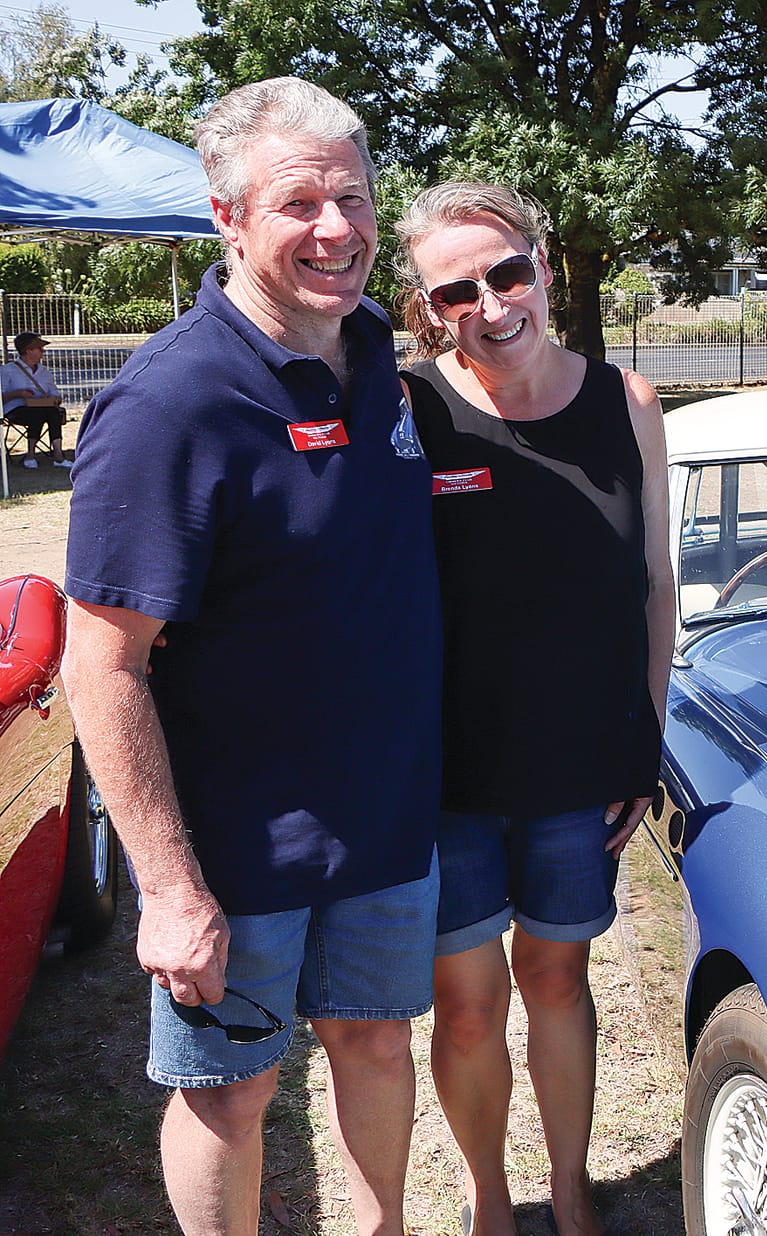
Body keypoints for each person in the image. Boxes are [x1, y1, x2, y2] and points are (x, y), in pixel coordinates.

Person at [60, 77, 442, 1236]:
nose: (337, 228)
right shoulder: (170, 403)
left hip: (381, 821)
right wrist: (170, 890)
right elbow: (101, 666)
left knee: (375, 1047)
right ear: (227, 220)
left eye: (355, 196)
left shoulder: (375, 348)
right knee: (231, 1091)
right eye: (298, 203)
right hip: (233, 847)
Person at [395, 182, 672, 1236]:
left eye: (508, 274)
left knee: (557, 983)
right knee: (467, 1009)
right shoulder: (410, 412)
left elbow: (657, 587)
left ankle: (568, 1186)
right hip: (448, 780)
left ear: (542, 268)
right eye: (457, 290)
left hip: (581, 771)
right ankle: (489, 1200)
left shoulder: (628, 405)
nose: (492, 303)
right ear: (429, 310)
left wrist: (641, 744)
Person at [2, 332, 68, 469]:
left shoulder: (45, 372)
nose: (42, 351)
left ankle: (58, 454)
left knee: (54, 412)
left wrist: (55, 399)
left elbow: (54, 392)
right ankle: (30, 454)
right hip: (16, 409)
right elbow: (1, 397)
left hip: (43, 408)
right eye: (39, 348)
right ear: (28, 350)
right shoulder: (7, 370)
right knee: (37, 413)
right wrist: (19, 393)